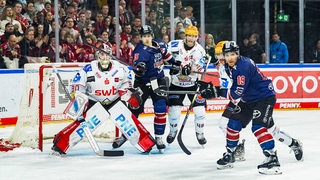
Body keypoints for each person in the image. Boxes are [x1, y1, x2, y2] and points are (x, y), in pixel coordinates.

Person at [213, 41, 303, 175]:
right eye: (227, 55)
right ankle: (231, 153)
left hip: (264, 98)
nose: (230, 57)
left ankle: (272, 158)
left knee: (259, 127)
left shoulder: (243, 66)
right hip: (248, 99)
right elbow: (234, 88)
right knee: (233, 125)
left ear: (237, 54)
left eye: (233, 54)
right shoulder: (228, 66)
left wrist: (215, 92)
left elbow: (236, 92)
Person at [51, 47, 155, 155]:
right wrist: (79, 100)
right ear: (97, 56)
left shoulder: (121, 68)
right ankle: (60, 145)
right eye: (102, 55)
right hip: (94, 102)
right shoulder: (88, 68)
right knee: (83, 127)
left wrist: (128, 94)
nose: (104, 57)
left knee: (129, 124)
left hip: (115, 101)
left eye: (107, 55)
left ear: (110, 55)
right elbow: (76, 85)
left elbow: (128, 85)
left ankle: (145, 144)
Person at [112, 25, 177, 152]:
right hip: (142, 83)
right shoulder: (139, 50)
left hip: (159, 81)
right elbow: (137, 68)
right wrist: (140, 69)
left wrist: (176, 65)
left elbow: (168, 58)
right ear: (141, 38)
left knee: (160, 108)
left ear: (152, 36)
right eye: (144, 36)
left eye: (148, 36)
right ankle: (125, 135)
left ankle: (159, 137)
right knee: (134, 110)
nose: (146, 39)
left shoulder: (160, 45)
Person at [166, 25, 208, 146]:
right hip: (176, 84)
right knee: (174, 111)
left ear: (197, 37)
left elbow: (200, 68)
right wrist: (172, 66)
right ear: (185, 35)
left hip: (193, 84)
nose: (191, 38)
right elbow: (164, 58)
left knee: (200, 111)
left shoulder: (200, 51)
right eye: (189, 35)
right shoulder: (173, 45)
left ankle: (200, 133)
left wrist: (191, 70)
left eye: (194, 36)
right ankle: (173, 131)